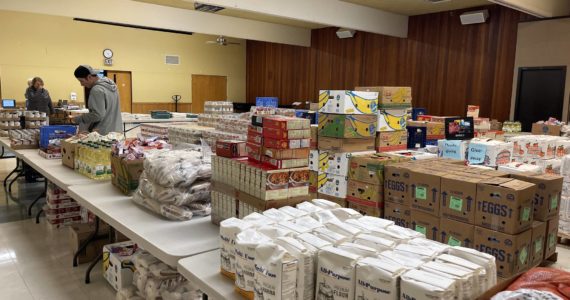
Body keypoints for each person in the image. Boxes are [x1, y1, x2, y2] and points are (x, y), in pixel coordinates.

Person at [72, 65, 123, 134]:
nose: (81, 84)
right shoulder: (111, 85)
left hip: (103, 133)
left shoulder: (97, 90)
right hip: (116, 130)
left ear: (89, 77)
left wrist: (78, 118)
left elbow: (97, 115)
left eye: (82, 81)